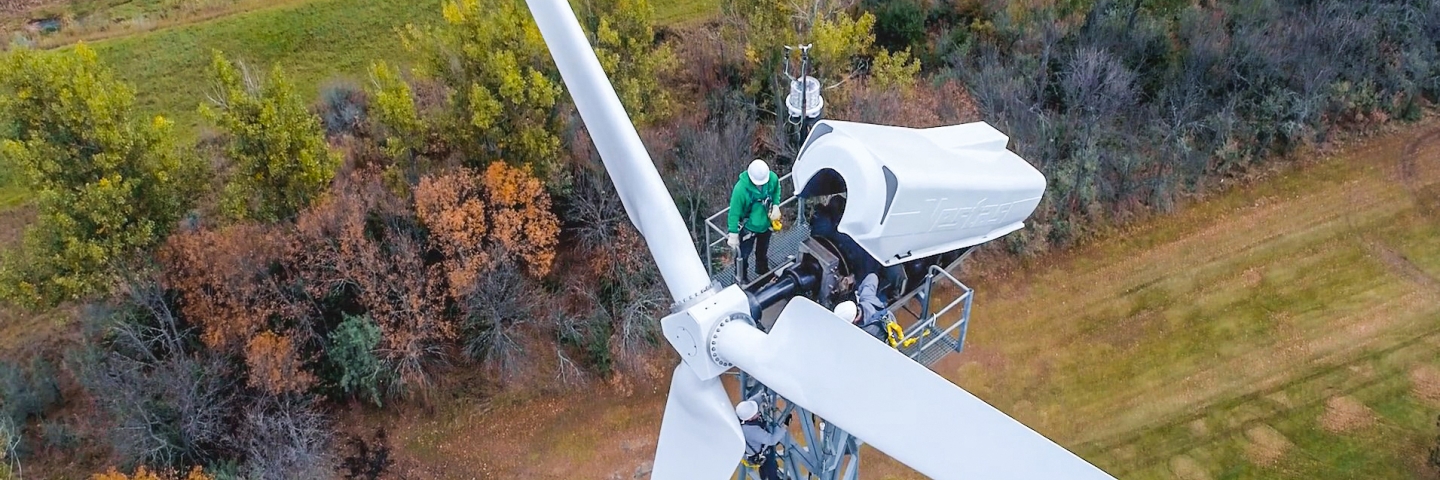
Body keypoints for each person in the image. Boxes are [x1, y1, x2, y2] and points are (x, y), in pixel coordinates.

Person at [727, 159, 782, 282]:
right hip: (748, 228)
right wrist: (733, 233)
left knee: (762, 250)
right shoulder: (741, 189)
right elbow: (734, 213)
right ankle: (741, 277)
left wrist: (776, 205)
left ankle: (762, 269)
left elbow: (776, 190)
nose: (760, 185)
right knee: (743, 255)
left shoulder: (771, 179)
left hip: (765, 224)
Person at [736, 394, 788, 480]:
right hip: (761, 453)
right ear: (750, 418)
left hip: (755, 450)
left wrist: (761, 395)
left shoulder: (742, 414)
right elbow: (772, 440)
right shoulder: (752, 431)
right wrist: (785, 426)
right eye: (756, 413)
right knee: (770, 471)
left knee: (765, 470)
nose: (758, 413)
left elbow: (753, 401)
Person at [832, 273, 888, 342]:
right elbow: (872, 277)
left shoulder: (866, 332)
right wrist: (859, 292)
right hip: (887, 317)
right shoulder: (867, 297)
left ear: (854, 321)